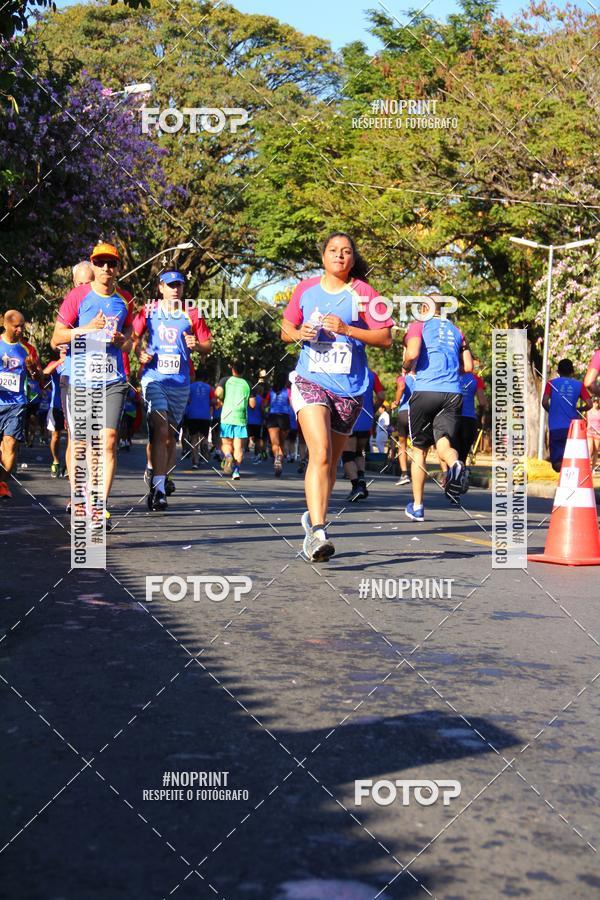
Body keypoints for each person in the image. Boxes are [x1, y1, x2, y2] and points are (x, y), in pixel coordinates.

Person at [282, 231, 393, 561]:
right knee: (321, 452)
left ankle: (315, 518)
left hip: (350, 387)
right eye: (334, 250)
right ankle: (318, 532)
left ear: (353, 259)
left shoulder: (364, 293)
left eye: (346, 252)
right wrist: (298, 333)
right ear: (324, 256)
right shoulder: (305, 289)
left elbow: (385, 337)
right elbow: (285, 329)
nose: (340, 256)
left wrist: (347, 330)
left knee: (329, 463)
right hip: (310, 379)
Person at [51, 242, 134, 526]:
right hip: (81, 381)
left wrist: (126, 342)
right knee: (82, 444)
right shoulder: (78, 296)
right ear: (93, 265)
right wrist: (87, 329)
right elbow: (56, 338)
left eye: (111, 264)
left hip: (112, 380)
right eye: (100, 263)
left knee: (108, 441)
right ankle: (80, 499)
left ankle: (98, 507)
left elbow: (129, 337)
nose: (106, 268)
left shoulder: (124, 301)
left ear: (118, 268)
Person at [133, 271, 212, 511]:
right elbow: (132, 337)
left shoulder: (192, 313)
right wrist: (138, 353)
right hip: (154, 379)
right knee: (161, 427)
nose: (175, 289)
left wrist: (197, 346)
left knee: (169, 435)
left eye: (179, 285)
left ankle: (158, 473)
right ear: (160, 288)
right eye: (170, 285)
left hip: (180, 382)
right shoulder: (148, 311)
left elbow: (208, 344)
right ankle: (158, 490)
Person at [402, 290, 473, 521]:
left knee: (419, 450)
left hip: (425, 390)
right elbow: (468, 367)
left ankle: (418, 506)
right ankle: (455, 464)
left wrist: (406, 366)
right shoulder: (457, 331)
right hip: (452, 392)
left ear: (423, 308)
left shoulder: (419, 325)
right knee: (444, 442)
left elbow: (412, 353)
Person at [0, 310, 38, 498]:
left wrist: (32, 369)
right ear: (5, 324)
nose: (20, 330)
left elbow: (39, 377)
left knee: (11, 444)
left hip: (16, 404)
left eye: (22, 326)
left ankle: (2, 483)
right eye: (16, 326)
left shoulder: (27, 350)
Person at [343, 367, 385, 501]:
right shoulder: (372, 374)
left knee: (348, 454)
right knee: (359, 452)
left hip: (349, 417)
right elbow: (381, 396)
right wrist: (373, 410)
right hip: (366, 418)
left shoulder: (345, 371)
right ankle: (361, 478)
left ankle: (356, 486)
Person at [542, 359, 591, 471]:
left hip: (555, 427)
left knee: (557, 464)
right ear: (572, 371)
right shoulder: (579, 385)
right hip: (573, 429)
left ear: (558, 371)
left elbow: (544, 402)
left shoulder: (551, 384)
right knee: (572, 459)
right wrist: (580, 409)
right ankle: (569, 478)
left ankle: (564, 476)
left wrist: (552, 411)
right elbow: (589, 404)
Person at [217, 360, 255, 480]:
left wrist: (221, 399)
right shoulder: (248, 384)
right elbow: (253, 404)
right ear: (243, 371)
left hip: (227, 417)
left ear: (232, 369)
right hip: (241, 419)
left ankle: (228, 455)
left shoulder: (225, 380)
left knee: (226, 444)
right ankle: (236, 472)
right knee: (238, 447)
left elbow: (218, 394)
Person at [456, 366, 487, 489]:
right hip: (469, 419)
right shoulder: (476, 379)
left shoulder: (451, 375)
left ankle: (451, 476)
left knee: (452, 451)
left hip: (453, 418)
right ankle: (460, 480)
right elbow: (482, 402)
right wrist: (482, 413)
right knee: (463, 455)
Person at [183, 367, 216, 468]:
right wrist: (207, 403)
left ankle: (195, 462)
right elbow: (214, 401)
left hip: (192, 415)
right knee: (203, 437)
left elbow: (186, 399)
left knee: (193, 438)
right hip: (205, 416)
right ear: (205, 378)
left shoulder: (190, 386)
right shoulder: (209, 388)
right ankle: (203, 452)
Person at [43, 352, 67, 477]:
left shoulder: (78, 363)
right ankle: (56, 461)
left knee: (73, 438)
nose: (64, 349)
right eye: (61, 347)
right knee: (55, 436)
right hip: (56, 406)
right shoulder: (55, 363)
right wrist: (60, 361)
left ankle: (69, 465)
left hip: (73, 406)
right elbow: (45, 372)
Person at [392, 371, 415, 486]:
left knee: (402, 444)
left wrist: (396, 402)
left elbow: (401, 387)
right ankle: (417, 473)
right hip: (417, 413)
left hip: (404, 412)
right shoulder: (423, 378)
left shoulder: (402, 378)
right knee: (419, 447)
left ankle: (404, 474)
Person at [266, 373, 292, 477]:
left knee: (275, 443)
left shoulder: (270, 392)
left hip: (272, 417)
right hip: (284, 417)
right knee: (282, 442)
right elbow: (291, 403)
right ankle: (280, 459)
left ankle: (277, 458)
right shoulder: (288, 391)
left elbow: (265, 404)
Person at [587, 397, 600, 470]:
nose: (595, 403)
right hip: (589, 433)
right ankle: (588, 466)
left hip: (597, 433)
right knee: (590, 449)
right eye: (594, 401)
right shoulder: (588, 412)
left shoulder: (599, 412)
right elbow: (588, 423)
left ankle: (593, 468)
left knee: (596, 450)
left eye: (597, 402)